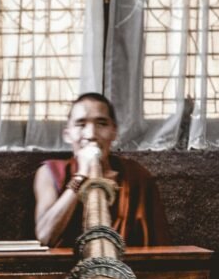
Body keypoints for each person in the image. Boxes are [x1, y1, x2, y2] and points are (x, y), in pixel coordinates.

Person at [34, 93, 171, 248]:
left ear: (114, 132)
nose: (91, 134)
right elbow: (45, 236)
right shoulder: (50, 172)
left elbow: (160, 244)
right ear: (67, 134)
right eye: (81, 124)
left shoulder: (136, 176)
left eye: (101, 124)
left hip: (126, 263)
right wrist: (81, 176)